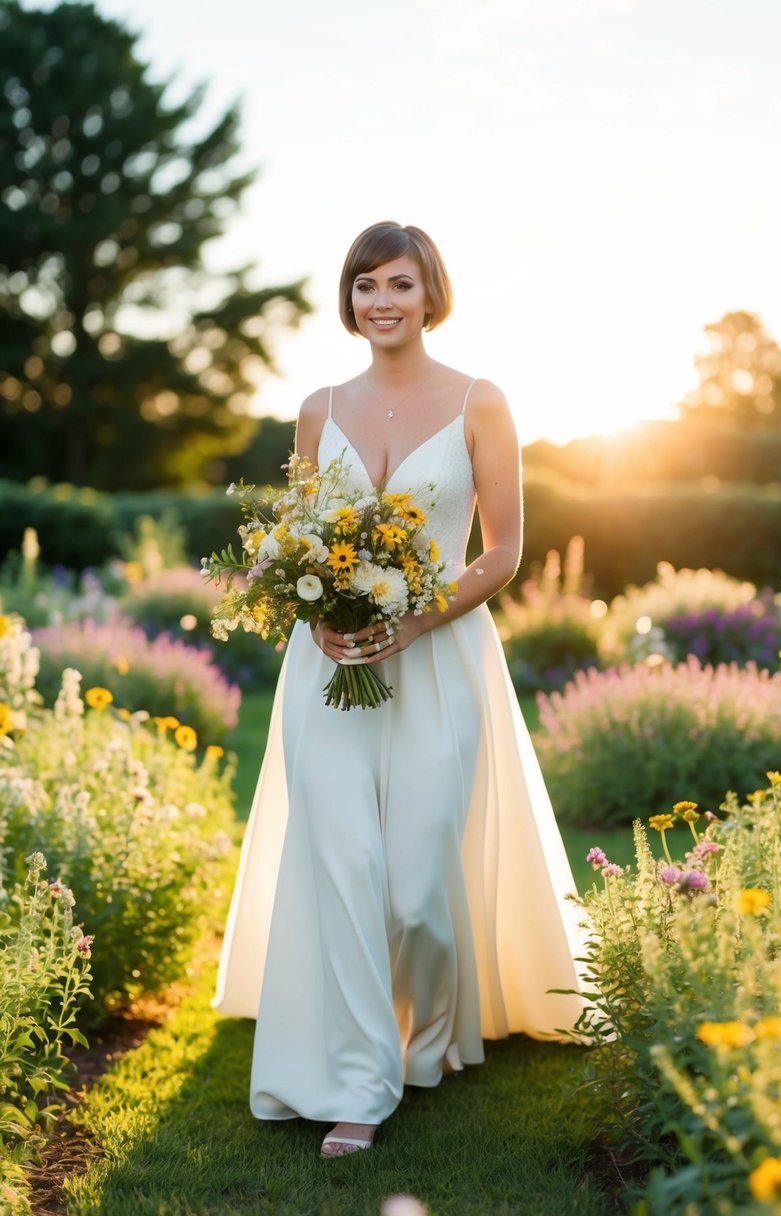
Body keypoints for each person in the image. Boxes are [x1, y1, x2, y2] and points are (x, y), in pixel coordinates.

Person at [213, 221, 588, 1157]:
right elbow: (300, 548)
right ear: (348, 300)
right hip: (328, 671)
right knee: (343, 867)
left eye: (399, 285)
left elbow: (500, 549)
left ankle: (428, 1040)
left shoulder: (479, 401)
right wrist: (318, 615)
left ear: (431, 296)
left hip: (436, 663)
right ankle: (359, 1082)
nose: (381, 302)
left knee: (417, 885)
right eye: (365, 285)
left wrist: (415, 619)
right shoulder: (317, 407)